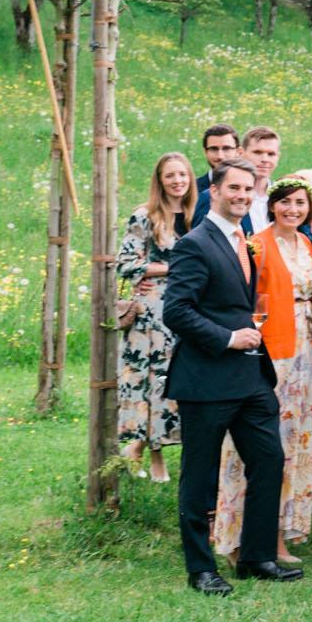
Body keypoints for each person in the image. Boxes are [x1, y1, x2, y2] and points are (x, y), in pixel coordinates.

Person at [161, 159, 296, 593]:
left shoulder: (245, 241)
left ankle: (257, 557)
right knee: (199, 476)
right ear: (214, 191)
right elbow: (176, 311)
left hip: (252, 376)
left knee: (269, 460)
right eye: (233, 188)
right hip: (206, 378)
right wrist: (227, 338)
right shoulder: (195, 244)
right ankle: (201, 569)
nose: (241, 195)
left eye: (247, 189)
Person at [213, 175, 312, 566]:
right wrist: (254, 340)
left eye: (300, 203)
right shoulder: (256, 244)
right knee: (257, 444)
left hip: (303, 353)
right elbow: (247, 299)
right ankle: (235, 537)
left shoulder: (306, 243)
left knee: (292, 445)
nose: (293, 209)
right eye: (285, 202)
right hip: (270, 352)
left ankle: (276, 537)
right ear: (272, 205)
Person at [118, 151, 194, 484]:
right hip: (152, 315)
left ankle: (150, 449)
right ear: (160, 181)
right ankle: (149, 453)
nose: (177, 181)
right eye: (170, 175)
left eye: (182, 175)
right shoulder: (145, 215)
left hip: (185, 311)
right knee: (150, 381)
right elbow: (126, 263)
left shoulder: (195, 216)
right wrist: (170, 268)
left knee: (171, 383)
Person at [236, 127, 283, 232]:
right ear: (240, 153)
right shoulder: (224, 195)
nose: (265, 159)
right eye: (257, 152)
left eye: (271, 154)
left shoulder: (284, 196)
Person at [192, 124, 239, 223]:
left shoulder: (248, 191)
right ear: (205, 151)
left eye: (226, 148)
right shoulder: (192, 189)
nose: (220, 156)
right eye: (214, 149)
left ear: (238, 151)